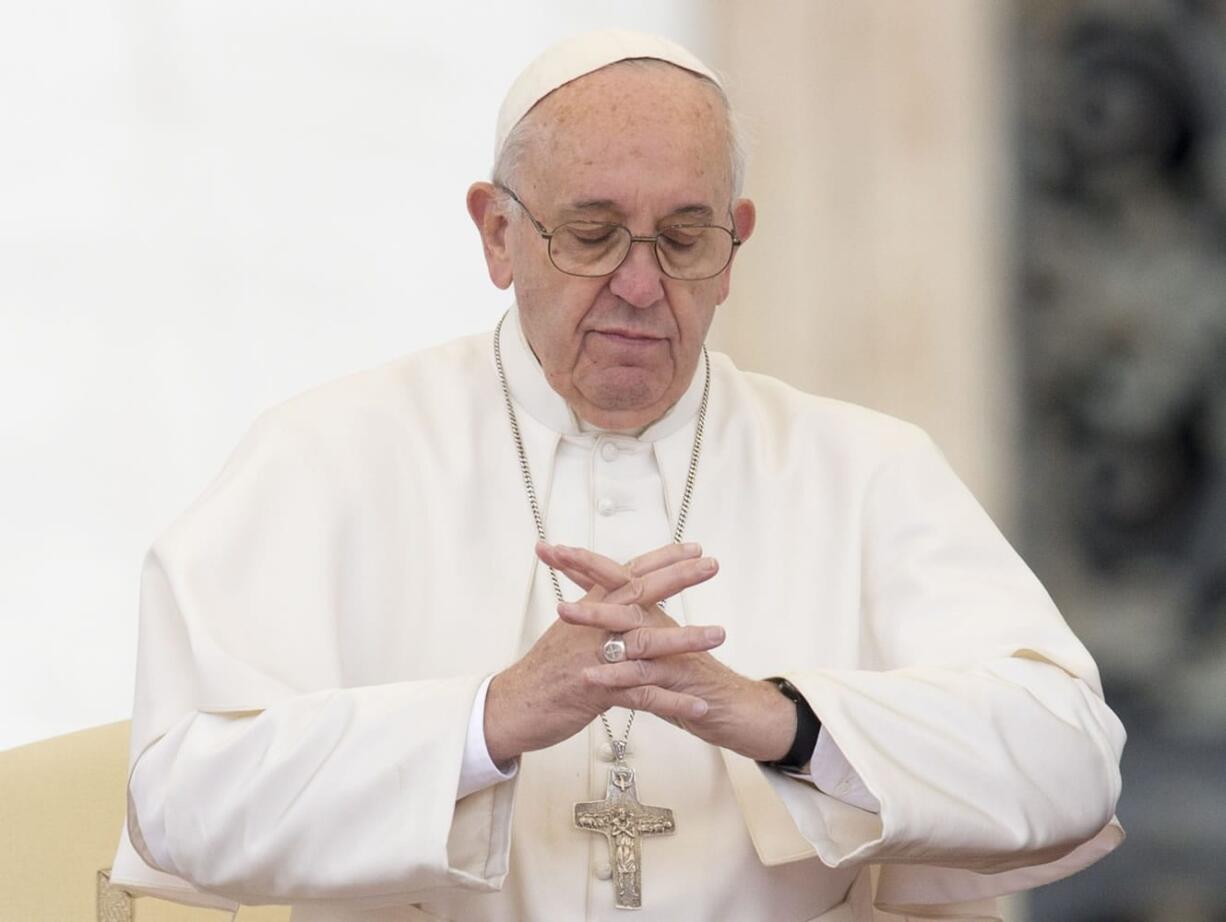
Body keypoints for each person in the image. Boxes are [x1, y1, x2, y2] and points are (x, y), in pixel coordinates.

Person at [110, 29, 1125, 922]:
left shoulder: (863, 467)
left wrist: (783, 720)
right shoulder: (328, 454)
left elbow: (1068, 757)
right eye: (591, 233)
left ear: (733, 249)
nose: (640, 287)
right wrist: (487, 720)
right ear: (497, 233)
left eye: (683, 238)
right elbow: (182, 798)